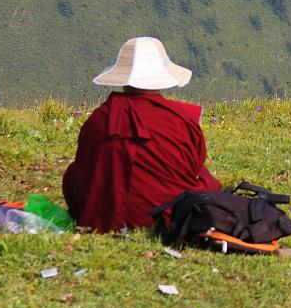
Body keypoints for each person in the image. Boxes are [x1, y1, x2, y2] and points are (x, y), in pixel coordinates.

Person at [62, 37, 221, 232]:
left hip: (103, 215)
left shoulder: (98, 119)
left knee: (73, 175)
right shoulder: (181, 120)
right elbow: (194, 165)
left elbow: (85, 167)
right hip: (170, 215)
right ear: (160, 79)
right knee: (205, 179)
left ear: (123, 78)